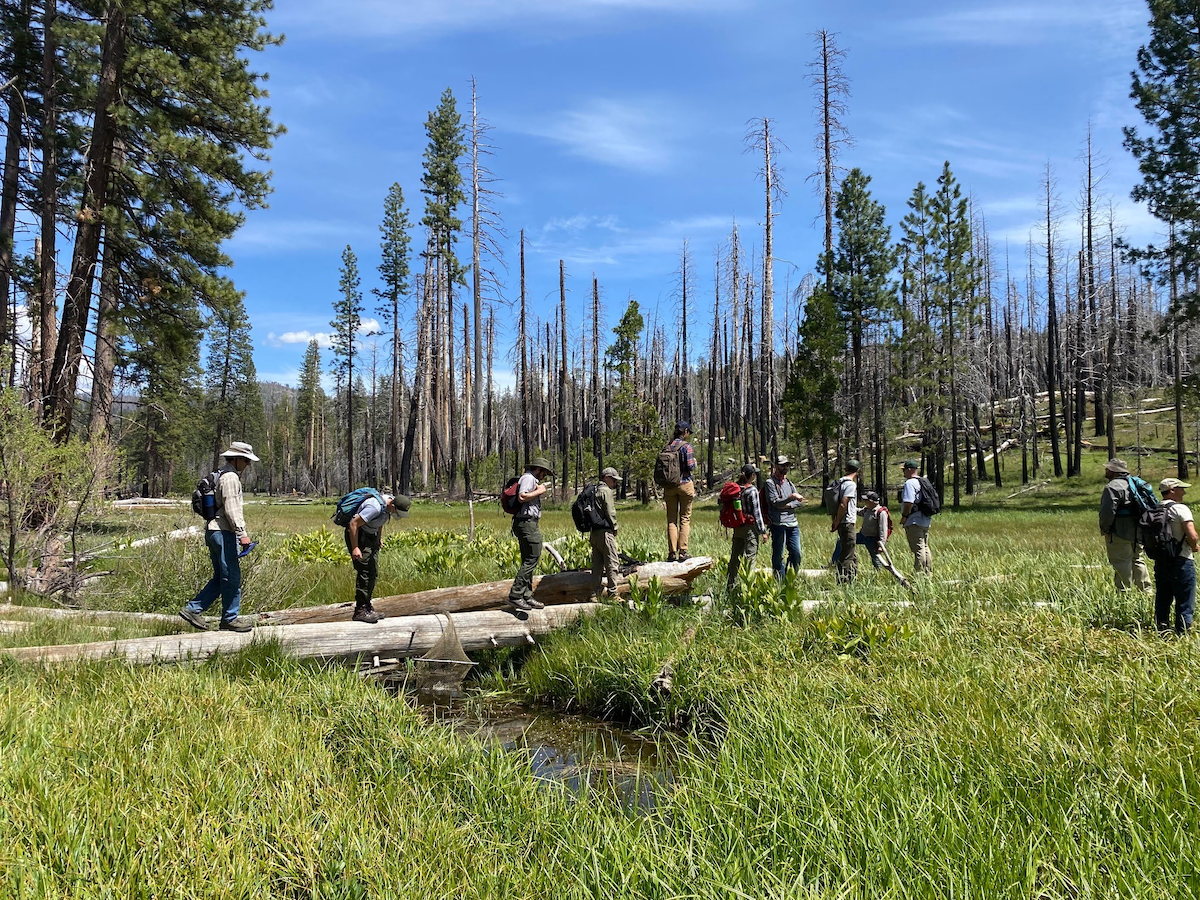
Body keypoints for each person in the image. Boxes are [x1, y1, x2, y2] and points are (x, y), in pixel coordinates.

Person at [180, 441, 259, 633]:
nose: (248, 465)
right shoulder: (231, 478)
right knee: (231, 577)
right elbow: (232, 509)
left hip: (212, 531)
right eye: (246, 461)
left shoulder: (221, 474)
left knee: (221, 577)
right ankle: (229, 618)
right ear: (237, 459)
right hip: (223, 532)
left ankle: (193, 609)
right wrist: (242, 534)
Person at [345, 491, 412, 624]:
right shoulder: (374, 507)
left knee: (373, 572)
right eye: (397, 512)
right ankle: (360, 611)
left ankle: (367, 606)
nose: (397, 515)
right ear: (393, 506)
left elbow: (380, 521)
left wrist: (378, 538)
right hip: (359, 536)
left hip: (371, 536)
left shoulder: (387, 506)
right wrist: (355, 547)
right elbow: (353, 524)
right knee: (364, 572)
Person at [1098, 457, 1152, 593]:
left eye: (1108, 468)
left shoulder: (1112, 487)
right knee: (1138, 560)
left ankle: (1124, 594)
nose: (1106, 470)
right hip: (1138, 531)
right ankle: (1146, 592)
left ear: (1113, 470)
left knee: (1121, 562)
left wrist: (1105, 530)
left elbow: (1107, 512)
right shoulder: (1136, 483)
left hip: (1119, 532)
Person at [508, 457, 554, 611]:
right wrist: (539, 491)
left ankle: (526, 595)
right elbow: (522, 497)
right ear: (538, 470)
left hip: (526, 522)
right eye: (544, 473)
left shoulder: (529, 478)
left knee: (528, 559)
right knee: (532, 558)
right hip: (527, 523)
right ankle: (516, 595)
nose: (544, 476)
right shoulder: (528, 478)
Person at [1154, 477, 1198, 635]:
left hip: (1161, 561)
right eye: (1181, 488)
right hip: (1182, 560)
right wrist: (1194, 546)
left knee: (1163, 599)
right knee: (1185, 600)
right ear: (1172, 490)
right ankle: (1182, 634)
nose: (1184, 492)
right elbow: (1192, 535)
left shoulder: (1155, 508)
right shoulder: (1181, 509)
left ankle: (1162, 631)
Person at [727, 463, 767, 593]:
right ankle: (748, 589)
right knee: (750, 558)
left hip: (738, 527)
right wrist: (763, 531)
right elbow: (757, 512)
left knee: (735, 558)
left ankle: (730, 586)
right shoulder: (752, 490)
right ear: (752, 476)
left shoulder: (735, 489)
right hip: (750, 528)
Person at [662, 420, 697, 562]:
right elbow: (690, 466)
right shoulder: (686, 447)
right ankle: (682, 551)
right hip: (685, 484)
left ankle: (671, 553)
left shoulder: (667, 446)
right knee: (685, 518)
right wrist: (694, 461)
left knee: (671, 519)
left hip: (669, 486)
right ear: (686, 432)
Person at [764, 455, 804, 578]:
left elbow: (799, 502)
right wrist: (791, 498)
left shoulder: (788, 482)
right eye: (782, 465)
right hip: (778, 524)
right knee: (778, 555)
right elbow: (775, 503)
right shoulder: (770, 483)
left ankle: (790, 577)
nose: (785, 468)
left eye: (787, 465)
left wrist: (787, 504)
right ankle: (778, 581)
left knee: (796, 553)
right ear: (776, 466)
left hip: (793, 523)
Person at [830, 490, 889, 571]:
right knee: (842, 541)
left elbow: (883, 530)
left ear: (872, 501)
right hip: (862, 535)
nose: (865, 501)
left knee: (876, 558)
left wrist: (881, 544)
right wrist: (848, 506)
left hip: (872, 539)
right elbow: (859, 511)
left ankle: (879, 572)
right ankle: (834, 563)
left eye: (866, 500)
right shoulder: (867, 509)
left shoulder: (880, 513)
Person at [591, 467, 622, 600]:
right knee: (612, 562)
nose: (614, 483)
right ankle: (613, 593)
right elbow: (610, 511)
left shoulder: (593, 490)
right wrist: (615, 526)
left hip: (594, 533)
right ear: (606, 478)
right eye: (613, 480)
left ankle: (594, 594)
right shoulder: (606, 491)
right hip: (605, 533)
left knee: (597, 565)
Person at [899, 459, 933, 575]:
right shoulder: (924, 481)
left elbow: (909, 502)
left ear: (909, 470)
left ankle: (919, 574)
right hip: (925, 519)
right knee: (924, 547)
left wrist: (904, 516)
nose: (903, 472)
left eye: (904, 470)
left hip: (914, 520)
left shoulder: (909, 483)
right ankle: (928, 572)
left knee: (918, 549)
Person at [832, 460, 860, 583]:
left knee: (850, 551)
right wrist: (837, 521)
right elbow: (843, 504)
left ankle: (852, 578)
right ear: (858, 471)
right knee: (847, 553)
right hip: (846, 522)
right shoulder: (850, 484)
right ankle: (843, 581)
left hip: (842, 522)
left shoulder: (839, 482)